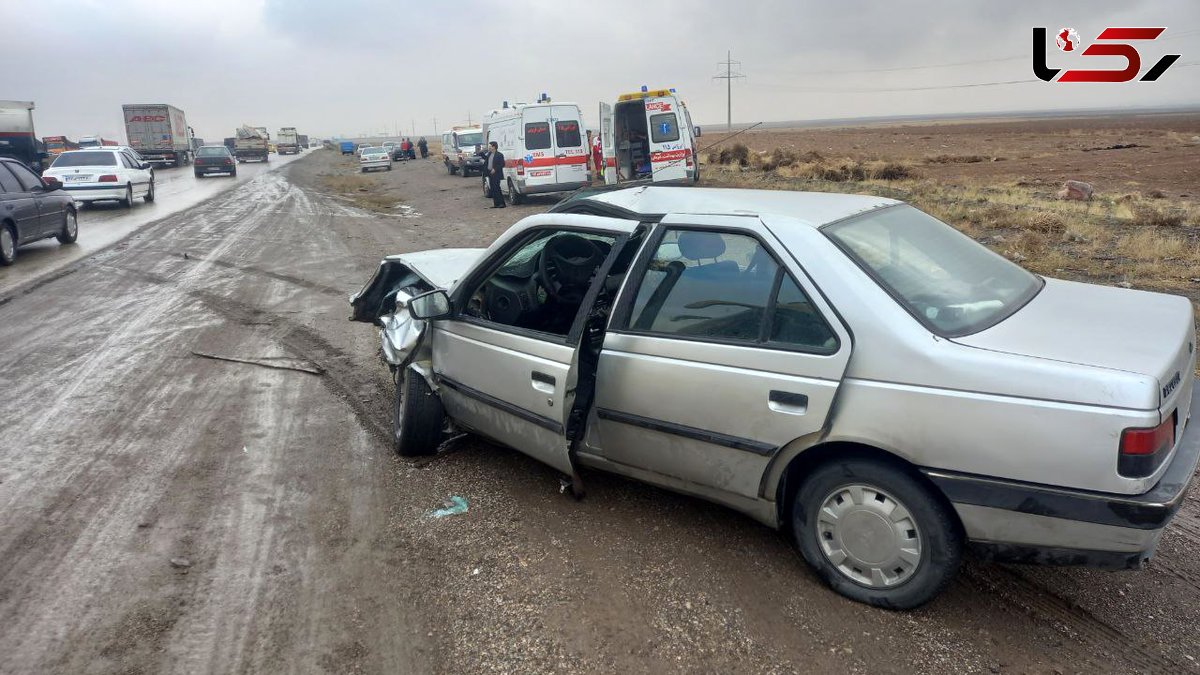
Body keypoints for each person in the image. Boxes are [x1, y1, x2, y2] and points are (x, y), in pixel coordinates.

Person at [485, 141, 505, 208]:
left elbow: (502, 164)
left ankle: (502, 203)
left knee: (497, 188)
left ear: (494, 147)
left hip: (496, 174)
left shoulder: (499, 155)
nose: (489, 147)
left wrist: (495, 169)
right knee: (492, 189)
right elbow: (486, 161)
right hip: (490, 173)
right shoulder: (489, 154)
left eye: (490, 146)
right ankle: (496, 204)